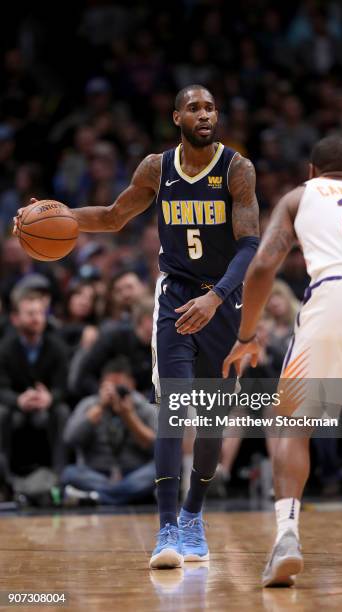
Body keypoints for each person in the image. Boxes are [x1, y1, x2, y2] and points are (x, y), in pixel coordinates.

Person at [14, 84, 260, 569]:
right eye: (194, 107)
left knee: (210, 421)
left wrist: (216, 298)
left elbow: (249, 247)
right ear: (176, 117)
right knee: (173, 406)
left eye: (210, 107)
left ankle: (193, 516)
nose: (204, 114)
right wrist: (49, 218)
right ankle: (167, 528)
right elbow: (110, 217)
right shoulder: (157, 167)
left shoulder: (237, 169)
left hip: (222, 301)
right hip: (175, 300)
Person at [223, 135, 342, 587]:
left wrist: (246, 335)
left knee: (289, 422)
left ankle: (287, 537)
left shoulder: (300, 197)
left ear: (312, 171)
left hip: (335, 293)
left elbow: (264, 267)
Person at [62, 357, 156, 505]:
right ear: (101, 386)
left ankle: (97, 497)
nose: (115, 392)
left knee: (161, 470)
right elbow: (70, 439)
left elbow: (158, 447)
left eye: (120, 387)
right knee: (70, 473)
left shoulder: (144, 407)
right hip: (97, 473)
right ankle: (125, 495)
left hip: (133, 472)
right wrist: (98, 409)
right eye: (110, 387)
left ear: (132, 384)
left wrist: (129, 417)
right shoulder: (89, 405)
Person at [0, 290, 69, 475]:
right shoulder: (5, 348)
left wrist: (49, 397)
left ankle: (59, 475)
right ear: (15, 318)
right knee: (2, 412)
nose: (36, 318)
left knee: (62, 412)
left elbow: (63, 387)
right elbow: (2, 387)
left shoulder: (57, 347)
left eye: (40, 313)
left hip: (46, 406)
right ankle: (5, 478)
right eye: (30, 314)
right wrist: (18, 400)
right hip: (16, 407)